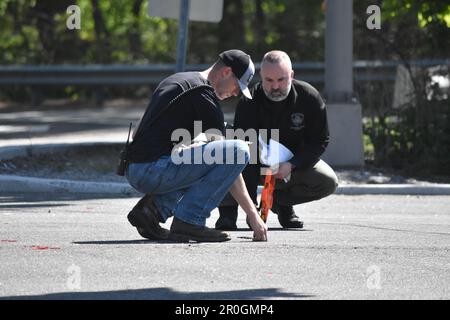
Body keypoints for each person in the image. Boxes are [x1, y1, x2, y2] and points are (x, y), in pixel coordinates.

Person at [124, 49, 268, 242]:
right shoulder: (204, 95)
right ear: (226, 72)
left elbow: (140, 129)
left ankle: (150, 211)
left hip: (136, 167)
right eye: (237, 85)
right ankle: (190, 221)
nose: (235, 93)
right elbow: (230, 162)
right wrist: (253, 214)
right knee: (239, 150)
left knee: (200, 155)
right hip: (152, 169)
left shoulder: (181, 80)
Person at [216, 50, 338, 230]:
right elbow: (244, 154)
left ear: (292, 76)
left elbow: (320, 141)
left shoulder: (309, 98)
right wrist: (252, 211)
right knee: (224, 154)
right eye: (269, 80)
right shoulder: (249, 102)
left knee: (327, 180)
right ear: (261, 77)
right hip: (254, 164)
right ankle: (228, 211)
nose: (275, 87)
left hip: (288, 167)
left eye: (281, 80)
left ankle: (281, 204)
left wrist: (293, 164)